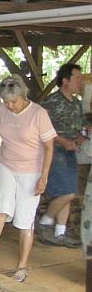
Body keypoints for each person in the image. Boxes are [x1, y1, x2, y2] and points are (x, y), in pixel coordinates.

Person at [0, 75, 56, 282]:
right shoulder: (2, 111)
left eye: (13, 102)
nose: (9, 106)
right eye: (5, 101)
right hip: (5, 165)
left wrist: (43, 176)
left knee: (25, 219)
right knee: (0, 210)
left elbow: (49, 147)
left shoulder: (38, 114)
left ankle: (22, 266)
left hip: (31, 170)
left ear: (23, 96)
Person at [37, 63, 85, 247]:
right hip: (55, 151)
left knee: (68, 191)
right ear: (65, 81)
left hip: (71, 152)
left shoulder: (78, 103)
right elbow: (41, 127)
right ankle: (46, 221)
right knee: (68, 192)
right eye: (77, 78)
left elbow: (80, 127)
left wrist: (80, 138)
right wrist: (62, 140)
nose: (80, 81)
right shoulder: (51, 102)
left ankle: (59, 233)